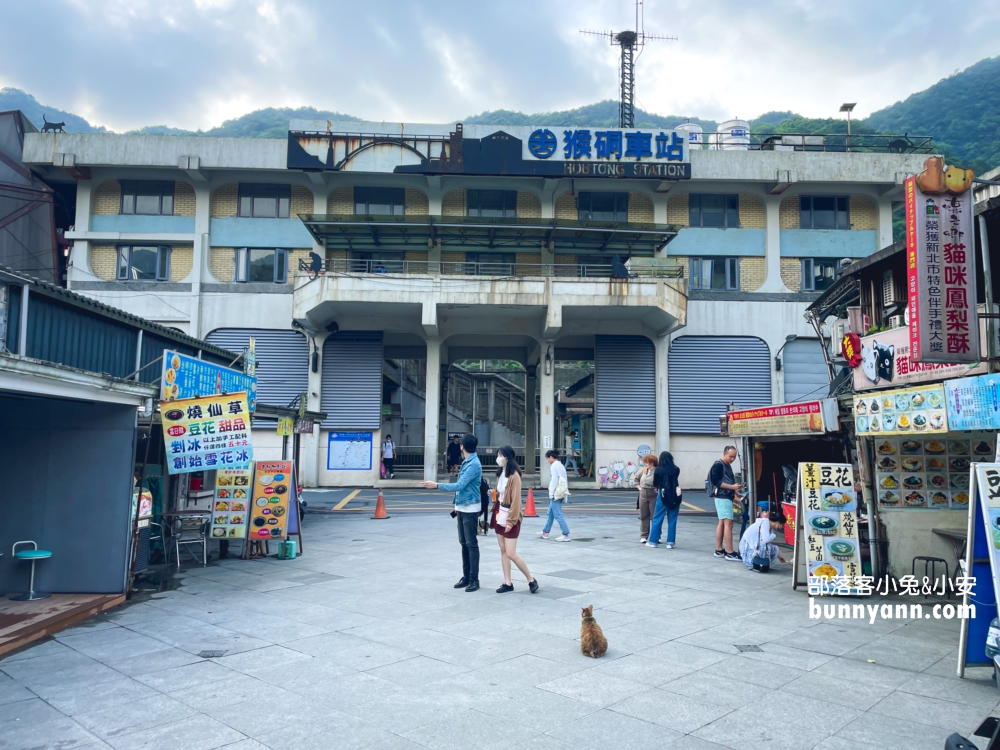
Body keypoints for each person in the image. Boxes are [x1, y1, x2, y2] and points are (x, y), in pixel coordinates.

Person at [421, 433, 483, 592]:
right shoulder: (468, 462)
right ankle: (467, 576)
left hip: (470, 508)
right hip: (462, 507)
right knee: (464, 542)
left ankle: (474, 579)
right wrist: (456, 505)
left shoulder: (473, 464)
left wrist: (436, 485)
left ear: (462, 447)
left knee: (471, 544)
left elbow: (459, 485)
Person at [490, 445, 539, 594]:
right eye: (498, 454)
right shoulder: (500, 473)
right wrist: (493, 493)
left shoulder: (514, 476)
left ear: (508, 457)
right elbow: (501, 493)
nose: (498, 457)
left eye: (500, 455)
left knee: (511, 552)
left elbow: (516, 501)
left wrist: (511, 522)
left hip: (510, 514)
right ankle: (507, 582)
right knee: (503, 549)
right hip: (499, 512)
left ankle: (531, 579)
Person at [710, 446, 742, 561]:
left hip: (723, 496)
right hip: (723, 497)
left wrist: (736, 491)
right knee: (729, 524)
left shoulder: (726, 464)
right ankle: (730, 552)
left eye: (734, 457)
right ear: (724, 453)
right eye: (730, 456)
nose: (733, 459)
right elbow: (715, 481)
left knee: (722, 523)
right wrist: (732, 487)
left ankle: (719, 550)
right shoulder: (719, 464)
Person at [647, 451, 681, 549]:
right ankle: (670, 542)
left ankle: (653, 541)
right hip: (675, 495)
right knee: (672, 519)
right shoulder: (676, 469)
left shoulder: (658, 470)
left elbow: (655, 483)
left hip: (662, 494)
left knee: (657, 518)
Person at [739, 508, 788, 572]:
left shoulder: (770, 526)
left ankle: (761, 563)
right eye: (782, 525)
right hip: (746, 546)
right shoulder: (765, 523)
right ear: (778, 522)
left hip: (752, 545)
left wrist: (778, 556)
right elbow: (766, 540)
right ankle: (757, 563)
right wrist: (774, 535)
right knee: (764, 545)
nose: (781, 527)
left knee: (772, 547)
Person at [538, 450, 570, 541]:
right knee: (551, 513)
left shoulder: (554, 466)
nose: (548, 460)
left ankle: (566, 534)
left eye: (548, 458)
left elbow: (554, 480)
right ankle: (545, 532)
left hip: (556, 493)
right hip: (561, 492)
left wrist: (551, 492)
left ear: (551, 457)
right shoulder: (560, 465)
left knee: (558, 514)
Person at [635, 454, 658, 543]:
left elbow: (662, 481)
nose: (645, 464)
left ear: (652, 463)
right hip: (643, 494)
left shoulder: (657, 471)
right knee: (643, 515)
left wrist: (658, 488)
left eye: (647, 462)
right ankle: (643, 536)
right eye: (645, 462)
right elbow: (636, 479)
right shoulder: (644, 470)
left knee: (654, 516)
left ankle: (657, 535)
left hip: (653, 494)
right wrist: (639, 487)